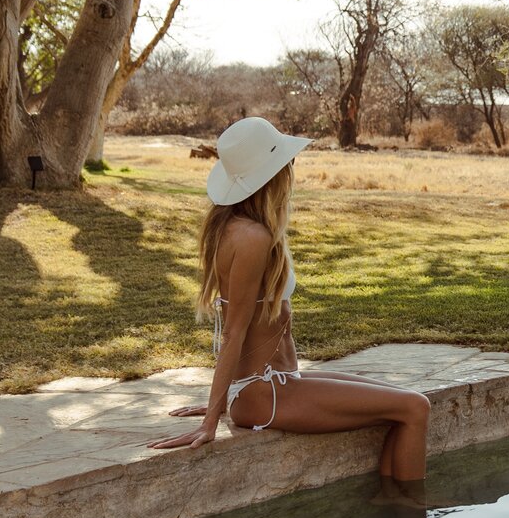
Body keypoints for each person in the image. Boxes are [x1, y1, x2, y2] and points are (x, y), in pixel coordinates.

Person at [148, 117, 431, 483]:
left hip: (270, 384)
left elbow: (235, 325)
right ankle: (409, 516)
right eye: (287, 162)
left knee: (406, 401)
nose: (293, 170)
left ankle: (393, 501)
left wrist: (223, 399)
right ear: (272, 174)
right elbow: (234, 332)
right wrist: (213, 418)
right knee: (416, 407)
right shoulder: (252, 238)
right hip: (267, 391)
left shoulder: (236, 226)